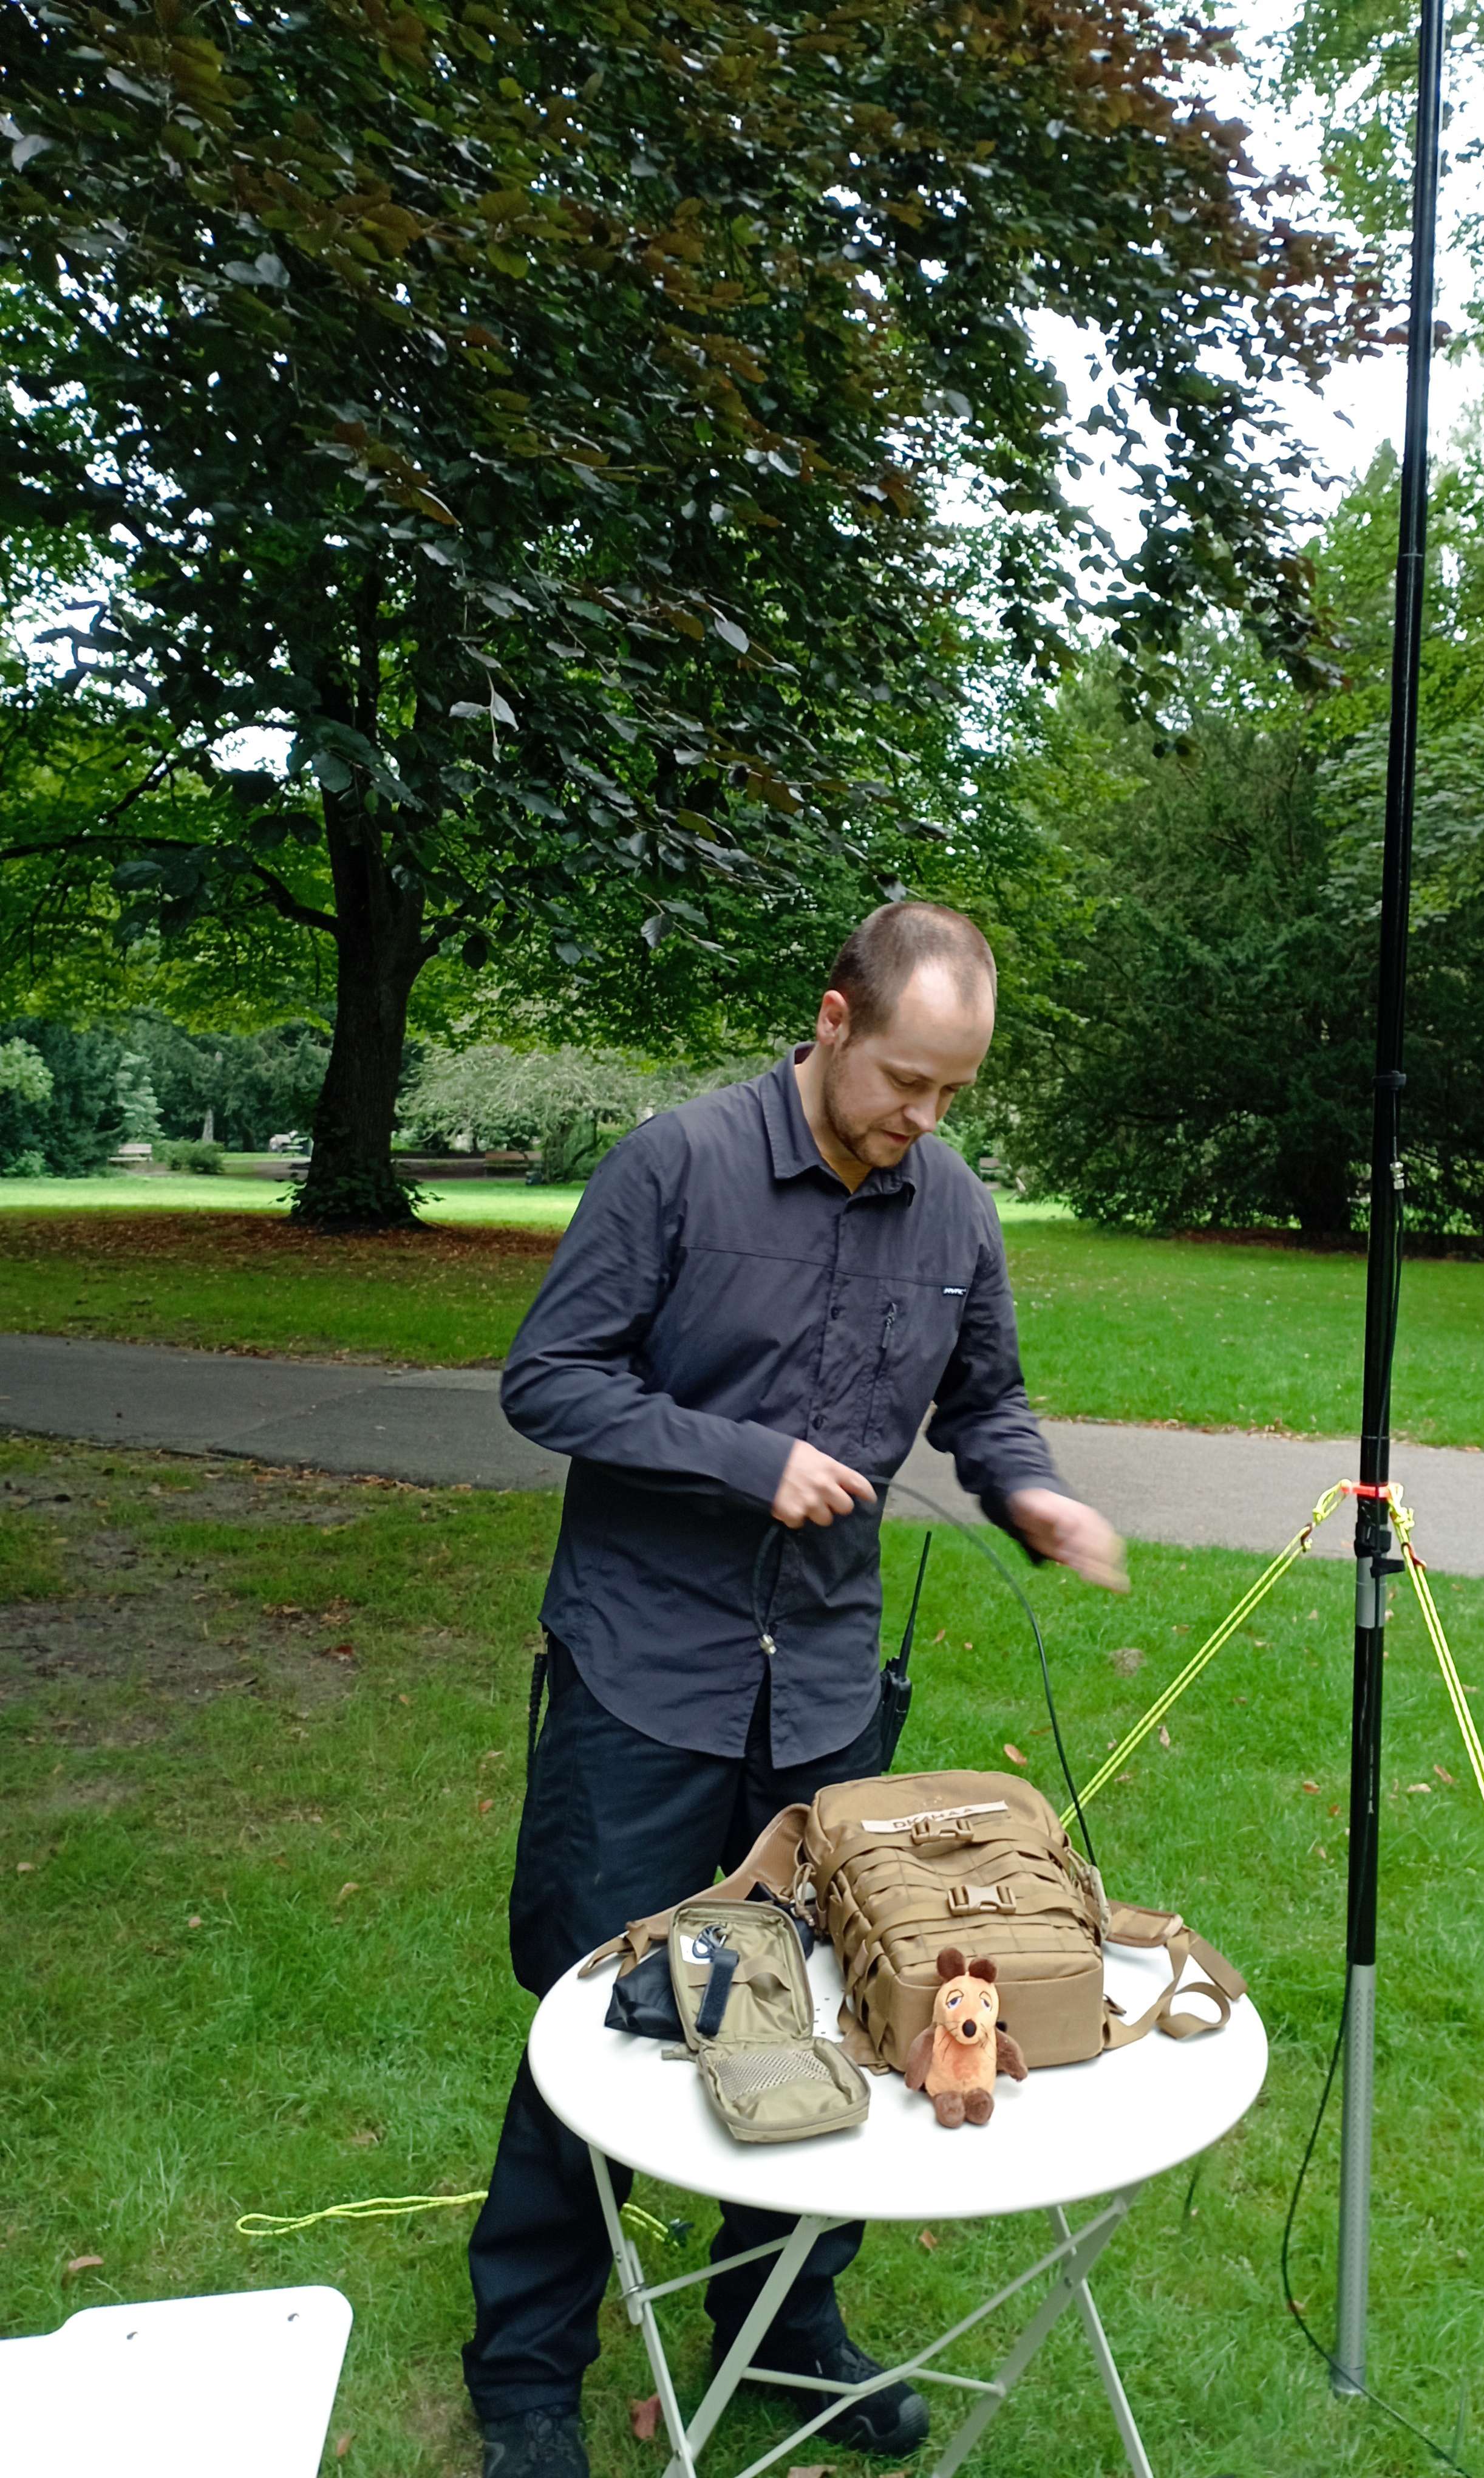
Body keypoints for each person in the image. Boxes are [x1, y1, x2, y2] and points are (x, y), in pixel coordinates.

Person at [464, 901, 1126, 2477]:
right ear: (833, 1022)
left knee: (835, 2011)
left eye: (955, 1091)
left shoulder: (954, 1211)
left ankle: (779, 2328)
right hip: (646, 1672)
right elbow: (548, 1380)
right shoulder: (674, 1168)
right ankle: (528, 2372)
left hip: (825, 1697)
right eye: (907, 1078)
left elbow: (988, 1405)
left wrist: (1030, 1493)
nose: (926, 1118)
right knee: (600, 2018)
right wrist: (744, 1459)